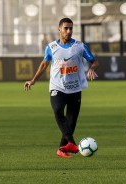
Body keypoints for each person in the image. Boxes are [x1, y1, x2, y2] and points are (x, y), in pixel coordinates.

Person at [24, 18, 98, 158]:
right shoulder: (51, 47)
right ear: (59, 29)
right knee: (58, 111)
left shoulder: (80, 46)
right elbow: (44, 64)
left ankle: (62, 149)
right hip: (57, 87)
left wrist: (92, 69)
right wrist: (33, 80)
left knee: (71, 123)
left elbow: (94, 62)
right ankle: (72, 143)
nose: (68, 31)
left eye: (71, 28)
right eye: (66, 28)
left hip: (75, 89)